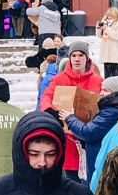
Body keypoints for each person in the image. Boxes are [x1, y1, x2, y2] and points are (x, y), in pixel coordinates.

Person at [39, 40, 103, 182]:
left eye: (81, 55)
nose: (77, 59)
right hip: (68, 141)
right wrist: (50, 111)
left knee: (91, 183)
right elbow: (46, 97)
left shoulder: (98, 81)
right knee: (70, 183)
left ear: (87, 58)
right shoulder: (59, 79)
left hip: (90, 139)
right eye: (74, 55)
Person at [59, 76, 118, 181]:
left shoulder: (111, 112)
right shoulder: (113, 109)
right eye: (101, 89)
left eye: (105, 90)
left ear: (115, 93)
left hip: (100, 163)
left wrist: (70, 118)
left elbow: (88, 132)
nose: (101, 93)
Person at [96, 7, 118, 77]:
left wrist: (107, 28)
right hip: (106, 52)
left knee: (117, 74)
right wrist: (98, 28)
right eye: (109, 15)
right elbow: (99, 36)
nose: (110, 17)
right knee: (107, 75)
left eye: (112, 16)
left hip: (115, 52)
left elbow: (117, 36)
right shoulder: (104, 22)